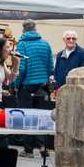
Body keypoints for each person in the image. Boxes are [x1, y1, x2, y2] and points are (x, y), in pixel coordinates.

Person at [14, 20, 53, 156]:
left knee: (27, 117)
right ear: (35, 29)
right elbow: (51, 68)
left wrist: (16, 84)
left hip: (27, 85)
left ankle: (28, 150)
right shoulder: (46, 44)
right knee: (41, 117)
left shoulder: (22, 44)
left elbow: (21, 68)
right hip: (43, 86)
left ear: (24, 29)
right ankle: (42, 146)